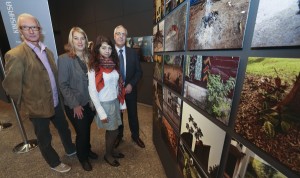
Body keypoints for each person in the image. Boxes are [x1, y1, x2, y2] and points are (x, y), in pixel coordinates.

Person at [2, 13, 76, 173]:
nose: (31, 31)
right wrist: (28, 106)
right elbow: (11, 86)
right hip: (37, 109)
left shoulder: (47, 51)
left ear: (39, 29)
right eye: (26, 27)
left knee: (64, 129)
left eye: (34, 27)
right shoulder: (15, 55)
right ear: (20, 31)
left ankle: (71, 149)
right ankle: (54, 162)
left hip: (55, 102)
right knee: (44, 138)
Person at [57, 27, 98, 171]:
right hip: (75, 104)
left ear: (86, 40)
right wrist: (75, 105)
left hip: (90, 103)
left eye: (82, 38)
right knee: (82, 132)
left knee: (86, 129)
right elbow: (63, 84)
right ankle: (83, 157)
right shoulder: (64, 59)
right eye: (76, 38)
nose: (80, 41)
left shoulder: (90, 56)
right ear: (71, 40)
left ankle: (87, 149)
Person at [88, 35, 126, 167]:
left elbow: (119, 85)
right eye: (104, 47)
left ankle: (111, 150)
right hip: (104, 104)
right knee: (113, 131)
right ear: (98, 49)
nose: (107, 50)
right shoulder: (94, 67)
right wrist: (101, 112)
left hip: (115, 101)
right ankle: (108, 155)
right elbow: (92, 91)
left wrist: (122, 103)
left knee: (114, 129)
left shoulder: (113, 64)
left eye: (109, 48)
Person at [113, 25, 145, 148]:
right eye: (118, 34)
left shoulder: (133, 52)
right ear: (114, 36)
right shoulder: (109, 53)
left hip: (130, 91)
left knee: (133, 114)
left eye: (123, 34)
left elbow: (139, 72)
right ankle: (119, 136)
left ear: (126, 37)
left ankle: (135, 136)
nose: (121, 36)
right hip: (115, 92)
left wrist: (131, 84)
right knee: (118, 115)